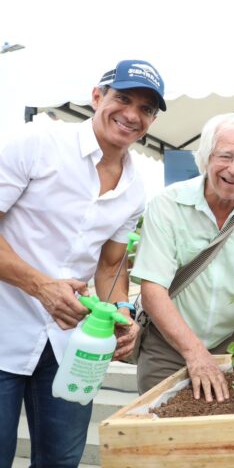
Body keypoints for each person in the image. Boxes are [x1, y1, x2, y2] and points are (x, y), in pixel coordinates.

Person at [0, 59, 165, 467]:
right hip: (4, 331)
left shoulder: (134, 188)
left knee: (62, 460)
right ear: (96, 97)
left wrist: (123, 311)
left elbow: (110, 268)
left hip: (70, 346)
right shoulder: (37, 143)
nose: (131, 114)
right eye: (122, 98)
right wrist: (41, 286)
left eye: (145, 109)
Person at [132, 113, 234, 401]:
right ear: (204, 158)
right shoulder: (168, 205)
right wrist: (195, 353)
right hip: (167, 349)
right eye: (225, 156)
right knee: (166, 437)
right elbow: (153, 288)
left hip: (232, 346)